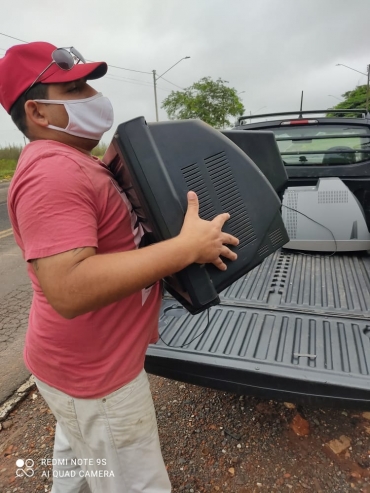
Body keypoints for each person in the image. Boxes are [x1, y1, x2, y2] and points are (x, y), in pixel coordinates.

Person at [0, 41, 239, 493]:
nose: (93, 96)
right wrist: (187, 249)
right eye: (76, 88)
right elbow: (68, 287)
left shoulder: (73, 161)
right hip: (96, 378)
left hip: (74, 371)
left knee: (81, 464)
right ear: (38, 111)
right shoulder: (54, 173)